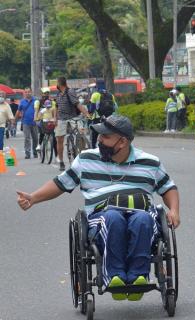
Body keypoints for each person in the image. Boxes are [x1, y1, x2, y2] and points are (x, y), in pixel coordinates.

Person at [16, 114, 180, 301]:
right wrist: (33, 197)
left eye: (105, 136)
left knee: (143, 219)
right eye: (99, 135)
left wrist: (174, 210)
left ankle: (138, 277)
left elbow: (168, 188)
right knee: (113, 218)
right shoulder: (87, 159)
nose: (99, 140)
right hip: (101, 215)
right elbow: (62, 183)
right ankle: (115, 276)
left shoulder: (150, 162)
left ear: (122, 142)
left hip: (141, 212)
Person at [55, 76, 90, 171]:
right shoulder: (58, 95)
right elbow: (56, 108)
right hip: (61, 119)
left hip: (73, 117)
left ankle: (82, 154)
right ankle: (61, 161)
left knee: (81, 133)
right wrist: (55, 119)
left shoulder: (70, 92)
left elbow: (77, 104)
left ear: (59, 83)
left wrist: (86, 113)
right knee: (59, 139)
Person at [89, 80, 118, 148]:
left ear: (97, 86)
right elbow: (115, 107)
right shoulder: (111, 95)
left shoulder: (95, 95)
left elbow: (91, 109)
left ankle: (93, 148)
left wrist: (89, 114)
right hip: (109, 118)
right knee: (109, 133)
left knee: (94, 135)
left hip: (97, 118)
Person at [17, 88, 39, 159]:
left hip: (35, 122)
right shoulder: (22, 101)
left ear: (31, 92)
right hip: (25, 122)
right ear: (24, 93)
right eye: (26, 92)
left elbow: (39, 110)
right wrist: (14, 120)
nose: (27, 93)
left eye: (29, 92)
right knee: (27, 138)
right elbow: (18, 111)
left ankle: (35, 152)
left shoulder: (36, 100)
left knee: (35, 138)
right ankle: (27, 153)